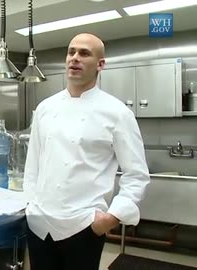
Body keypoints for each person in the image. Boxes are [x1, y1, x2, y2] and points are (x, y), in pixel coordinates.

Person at [23, 33, 150, 270]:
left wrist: (110, 219)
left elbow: (137, 174)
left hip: (82, 226)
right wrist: (31, 206)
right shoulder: (45, 108)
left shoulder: (117, 113)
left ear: (100, 64)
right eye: (71, 52)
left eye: (84, 53)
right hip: (40, 224)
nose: (74, 58)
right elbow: (34, 164)